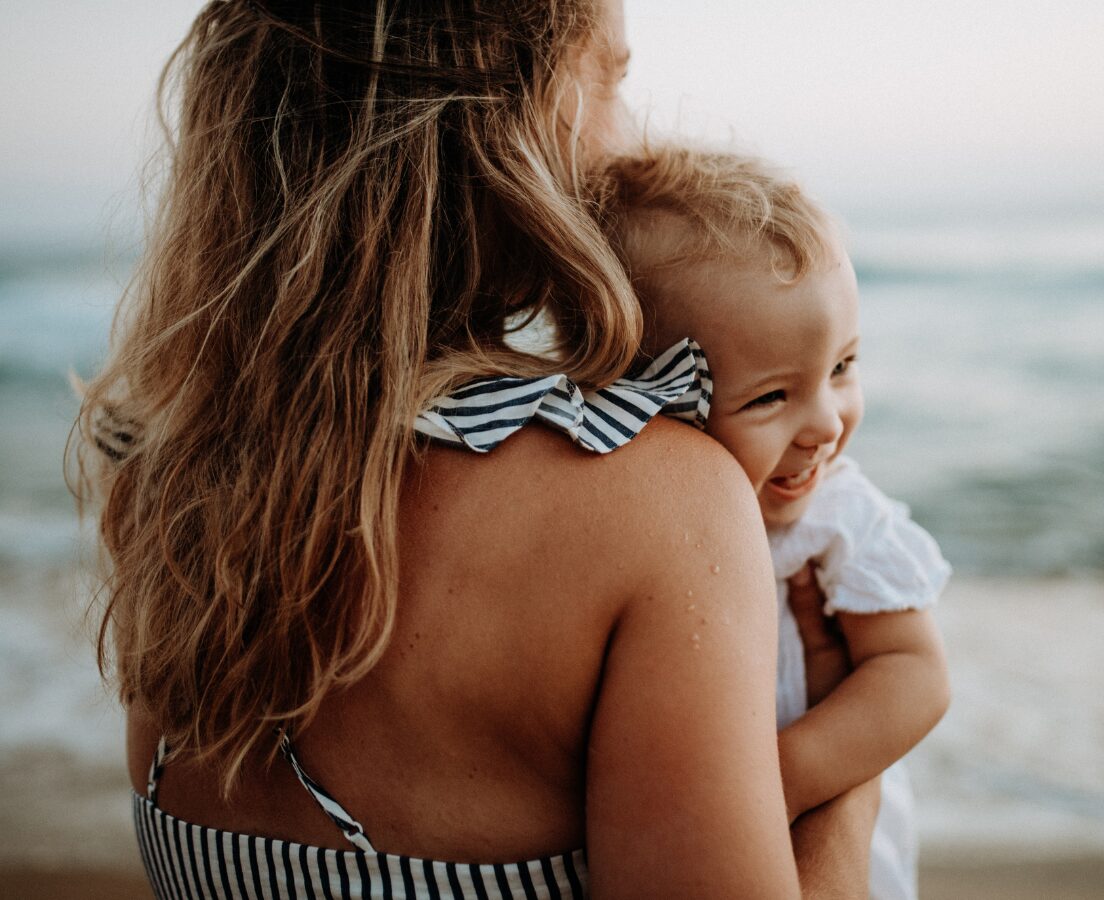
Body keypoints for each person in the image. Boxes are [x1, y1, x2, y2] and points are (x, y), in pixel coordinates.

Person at [72, 2, 878, 898]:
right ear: (502, 121)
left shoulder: (165, 478)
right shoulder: (657, 507)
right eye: (610, 78)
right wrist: (854, 771)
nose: (631, 138)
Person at [593, 145, 953, 898]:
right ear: (647, 400)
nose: (827, 422)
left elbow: (915, 676)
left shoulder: (838, 515)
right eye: (769, 398)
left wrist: (785, 778)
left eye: (844, 368)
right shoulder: (623, 528)